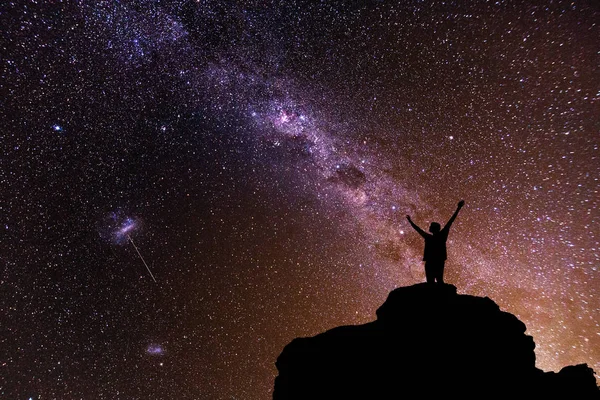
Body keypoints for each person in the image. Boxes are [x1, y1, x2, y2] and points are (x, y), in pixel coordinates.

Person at [406, 200, 465, 284]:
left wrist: (410, 221)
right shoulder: (440, 235)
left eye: (431, 226)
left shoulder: (432, 237)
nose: (429, 227)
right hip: (438, 261)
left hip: (432, 262)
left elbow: (418, 229)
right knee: (438, 281)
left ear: (434, 228)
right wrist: (458, 208)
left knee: (432, 282)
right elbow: (450, 222)